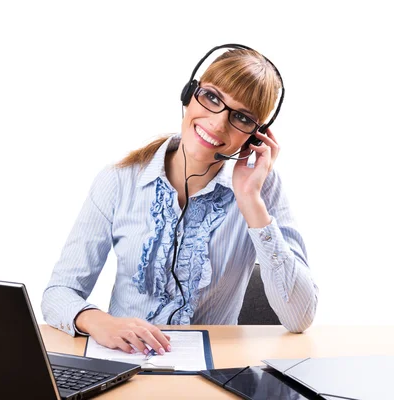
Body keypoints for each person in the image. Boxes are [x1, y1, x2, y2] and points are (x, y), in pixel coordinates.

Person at [41, 45, 319, 357]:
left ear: (255, 136)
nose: (217, 123)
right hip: (124, 365)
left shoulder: (263, 188)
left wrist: (251, 201)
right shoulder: (119, 180)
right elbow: (59, 293)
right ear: (189, 94)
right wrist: (97, 321)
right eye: (212, 97)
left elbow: (300, 317)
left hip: (213, 375)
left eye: (241, 117)